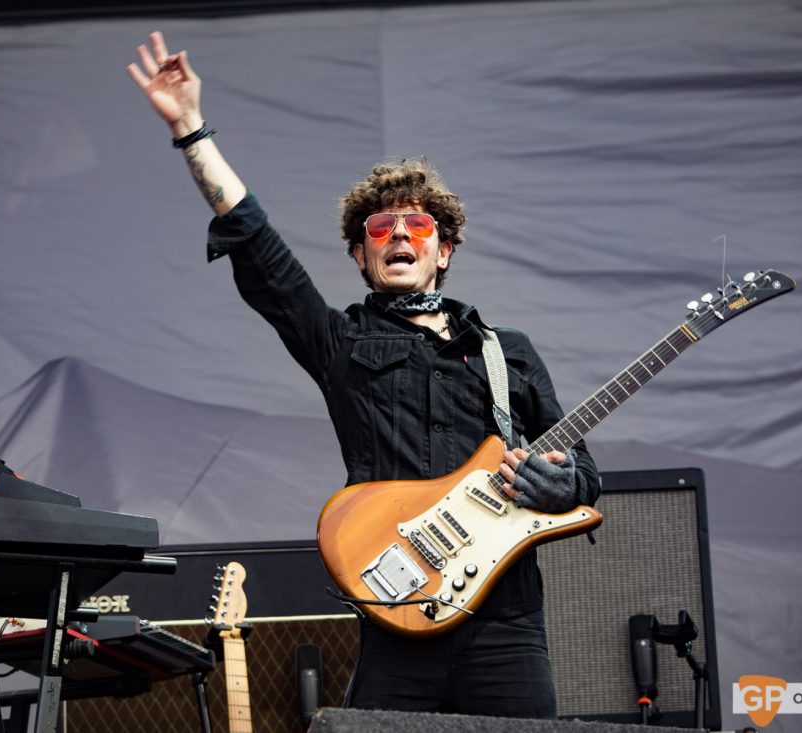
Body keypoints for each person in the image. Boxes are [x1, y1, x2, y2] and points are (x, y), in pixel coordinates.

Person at [128, 31, 599, 719]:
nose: (400, 235)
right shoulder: (342, 343)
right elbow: (258, 245)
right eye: (381, 228)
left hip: (506, 621)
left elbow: (582, 473)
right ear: (360, 254)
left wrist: (563, 484)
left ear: (444, 250)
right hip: (398, 614)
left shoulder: (509, 352)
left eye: (418, 226)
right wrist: (191, 131)